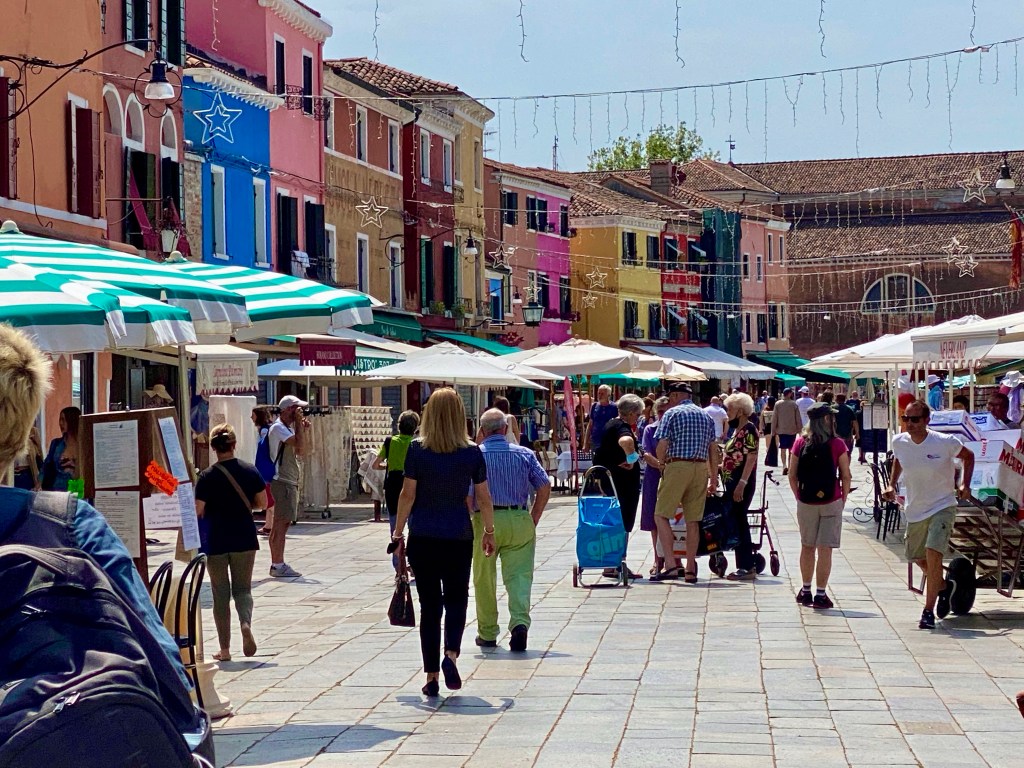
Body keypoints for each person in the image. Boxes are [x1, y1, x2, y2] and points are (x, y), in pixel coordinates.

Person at [0, 324, 191, 689]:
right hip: (54, 501)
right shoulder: (71, 496)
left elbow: (149, 473)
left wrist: (173, 488)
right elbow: (163, 663)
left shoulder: (94, 443)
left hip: (63, 497)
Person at [391, 388, 495, 697]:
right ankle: (450, 654)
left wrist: (398, 532)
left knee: (430, 606)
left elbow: (407, 495)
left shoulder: (416, 450)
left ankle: (431, 676)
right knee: (457, 599)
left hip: (423, 535)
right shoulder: (472, 452)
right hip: (458, 535)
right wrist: (488, 531)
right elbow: (484, 497)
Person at [884, 401, 974, 630]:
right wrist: (891, 484)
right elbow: (899, 460)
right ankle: (943, 586)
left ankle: (927, 611)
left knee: (933, 554)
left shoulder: (944, 442)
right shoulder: (899, 441)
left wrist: (965, 484)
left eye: (914, 419)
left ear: (926, 420)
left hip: (942, 505)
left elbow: (969, 456)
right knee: (915, 556)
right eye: (906, 418)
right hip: (915, 508)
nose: (909, 424)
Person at [472, 408, 550, 652]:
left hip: (484, 520)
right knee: (520, 576)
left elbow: (467, 494)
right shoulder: (524, 453)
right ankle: (519, 624)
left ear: (482, 431)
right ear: (505, 429)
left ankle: (487, 632)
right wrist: (533, 517)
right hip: (518, 517)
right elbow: (544, 485)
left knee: (484, 578)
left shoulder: (475, 456)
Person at [194, 423, 267, 661]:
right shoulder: (249, 470)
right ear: (234, 445)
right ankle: (245, 623)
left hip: (216, 539)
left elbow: (199, 510)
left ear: (214, 448)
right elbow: (263, 503)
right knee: (243, 590)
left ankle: (224, 649)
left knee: (220, 594)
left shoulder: (206, 477)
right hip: (244, 536)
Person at [651, 382, 719, 583]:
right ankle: (690, 568)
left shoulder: (672, 414)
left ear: (675, 396)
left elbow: (662, 444)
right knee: (693, 519)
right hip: (699, 469)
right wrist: (713, 478)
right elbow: (712, 450)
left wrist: (662, 465)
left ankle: (671, 564)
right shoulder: (705, 415)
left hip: (677, 465)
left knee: (660, 515)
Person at [789, 402, 851, 609]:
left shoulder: (799, 443)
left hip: (806, 501)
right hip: (831, 500)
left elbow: (792, 474)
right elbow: (845, 474)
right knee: (825, 549)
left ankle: (805, 590)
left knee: (807, 546)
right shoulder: (837, 444)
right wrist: (842, 499)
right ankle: (821, 594)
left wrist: (799, 496)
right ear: (826, 419)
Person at [267, 394, 308, 578]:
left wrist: (301, 427)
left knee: (281, 523)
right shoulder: (278, 428)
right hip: (282, 480)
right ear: (287, 410)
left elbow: (303, 450)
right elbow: (298, 444)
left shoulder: (287, 428)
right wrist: (299, 425)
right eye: (296, 409)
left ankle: (277, 562)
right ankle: (277, 564)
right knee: (281, 524)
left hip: (288, 480)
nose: (299, 412)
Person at [721, 393, 761, 581]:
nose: (727, 413)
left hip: (740, 484)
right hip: (732, 482)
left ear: (740, 410)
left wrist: (741, 484)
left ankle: (746, 565)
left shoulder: (749, 430)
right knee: (736, 521)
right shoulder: (738, 430)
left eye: (729, 409)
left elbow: (751, 457)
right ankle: (744, 564)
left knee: (740, 521)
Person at [374, 410, 420, 565]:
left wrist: (388, 466)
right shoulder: (417, 444)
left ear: (399, 426)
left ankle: (398, 567)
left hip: (393, 485)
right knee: (415, 529)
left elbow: (376, 464)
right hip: (413, 484)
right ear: (415, 427)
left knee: (395, 528)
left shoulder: (389, 441)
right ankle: (414, 564)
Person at [640, 396, 670, 575]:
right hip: (653, 476)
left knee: (673, 517)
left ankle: (675, 559)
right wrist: (660, 465)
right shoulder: (649, 429)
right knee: (653, 518)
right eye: (660, 411)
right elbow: (645, 452)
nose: (662, 414)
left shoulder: (676, 429)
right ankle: (658, 558)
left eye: (666, 410)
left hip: (672, 476)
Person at [41, 405, 80, 491]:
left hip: (77, 486)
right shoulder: (56, 444)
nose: (60, 423)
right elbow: (46, 466)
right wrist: (38, 484)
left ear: (72, 421)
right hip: (57, 488)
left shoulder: (82, 445)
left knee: (76, 503)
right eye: (60, 419)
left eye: (63, 419)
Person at [251, 406, 276, 536]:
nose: (251, 418)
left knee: (268, 496)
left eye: (253, 415)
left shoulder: (265, 430)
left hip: (265, 467)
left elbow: (264, 450)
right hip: (264, 466)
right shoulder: (264, 430)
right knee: (268, 494)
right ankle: (268, 524)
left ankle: (270, 525)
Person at [772, 388, 802, 475]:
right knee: (791, 449)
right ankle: (789, 466)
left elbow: (774, 418)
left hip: (781, 430)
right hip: (792, 430)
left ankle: (784, 465)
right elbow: (798, 418)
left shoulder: (778, 404)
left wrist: (773, 430)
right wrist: (800, 430)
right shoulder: (794, 404)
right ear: (789, 394)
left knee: (783, 449)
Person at [585, 385, 617, 450]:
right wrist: (585, 443)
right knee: (595, 460)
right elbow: (590, 424)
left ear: (608, 395)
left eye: (602, 394)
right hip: (595, 441)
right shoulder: (594, 406)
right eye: (599, 393)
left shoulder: (614, 407)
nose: (600, 395)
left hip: (610, 442)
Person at [13, 425, 43, 490]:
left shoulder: (33, 433)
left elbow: (40, 457)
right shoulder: (11, 436)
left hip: (26, 474)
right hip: (13, 476)